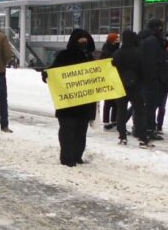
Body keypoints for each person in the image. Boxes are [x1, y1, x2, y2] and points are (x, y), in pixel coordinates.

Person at [41, 29, 97, 167]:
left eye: (85, 41)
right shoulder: (64, 56)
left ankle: (77, 155)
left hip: (84, 102)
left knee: (81, 131)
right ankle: (67, 158)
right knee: (68, 129)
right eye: (80, 41)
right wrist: (46, 74)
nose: (83, 43)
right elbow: (53, 71)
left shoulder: (90, 57)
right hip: (68, 103)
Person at [112, 30, 152, 148]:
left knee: (121, 111)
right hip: (135, 87)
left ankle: (122, 136)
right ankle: (142, 138)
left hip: (120, 86)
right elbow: (144, 70)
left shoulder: (117, 53)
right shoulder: (138, 53)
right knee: (139, 111)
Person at [139, 18, 167, 141]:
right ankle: (148, 129)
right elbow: (151, 62)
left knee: (148, 105)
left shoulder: (147, 39)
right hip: (151, 80)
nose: (162, 29)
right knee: (150, 105)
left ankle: (146, 128)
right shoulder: (152, 41)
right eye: (160, 27)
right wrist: (154, 77)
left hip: (148, 79)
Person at [99, 33, 120, 131]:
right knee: (108, 102)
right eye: (116, 39)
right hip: (108, 78)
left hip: (116, 78)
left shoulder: (115, 50)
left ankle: (113, 121)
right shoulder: (106, 51)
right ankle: (107, 122)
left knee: (116, 102)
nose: (118, 41)